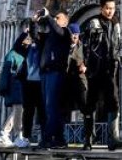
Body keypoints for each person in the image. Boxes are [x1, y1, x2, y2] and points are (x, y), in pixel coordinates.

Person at [82, 0, 122, 150]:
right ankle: (88, 139)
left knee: (113, 101)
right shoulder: (93, 23)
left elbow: (119, 43)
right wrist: (85, 64)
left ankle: (113, 138)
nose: (110, 11)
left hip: (110, 68)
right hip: (95, 69)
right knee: (91, 103)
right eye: (107, 8)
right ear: (101, 8)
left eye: (112, 8)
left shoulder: (116, 23)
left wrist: (118, 59)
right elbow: (86, 45)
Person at [38, 10, 72, 148]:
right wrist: (34, 22)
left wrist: (48, 16)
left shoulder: (65, 33)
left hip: (56, 72)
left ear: (65, 21)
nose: (55, 19)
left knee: (52, 106)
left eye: (58, 18)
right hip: (46, 73)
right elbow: (35, 37)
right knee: (49, 107)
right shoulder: (50, 36)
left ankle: (47, 138)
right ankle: (59, 138)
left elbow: (57, 29)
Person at [0, 24, 27, 146]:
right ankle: (17, 136)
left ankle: (4, 132)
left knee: (18, 110)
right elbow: (4, 73)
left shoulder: (25, 53)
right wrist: (3, 87)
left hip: (22, 85)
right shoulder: (13, 53)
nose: (28, 42)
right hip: (15, 85)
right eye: (26, 40)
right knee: (19, 109)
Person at [15, 24, 43, 148]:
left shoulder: (43, 45)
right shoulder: (26, 48)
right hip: (28, 83)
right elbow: (16, 47)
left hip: (41, 82)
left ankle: (43, 137)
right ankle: (26, 137)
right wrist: (24, 33)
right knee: (28, 112)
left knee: (42, 110)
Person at [65, 23, 90, 147]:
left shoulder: (84, 47)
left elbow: (90, 59)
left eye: (76, 34)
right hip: (67, 83)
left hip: (81, 81)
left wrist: (86, 66)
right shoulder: (63, 47)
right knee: (66, 110)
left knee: (85, 109)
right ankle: (65, 138)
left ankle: (87, 139)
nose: (74, 37)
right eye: (72, 34)